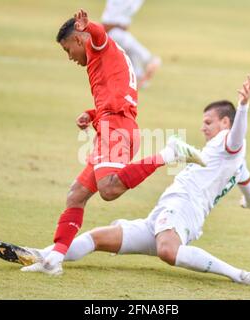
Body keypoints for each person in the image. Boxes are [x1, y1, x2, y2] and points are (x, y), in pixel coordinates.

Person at [0, 76, 250, 286]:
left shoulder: (228, 142)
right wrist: (248, 202)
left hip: (183, 209)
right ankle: (43, 255)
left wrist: (243, 107)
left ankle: (239, 275)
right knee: (98, 238)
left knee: (168, 252)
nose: (203, 127)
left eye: (208, 122)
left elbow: (237, 137)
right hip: (163, 215)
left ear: (225, 122)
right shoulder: (238, 165)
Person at [33, 9, 204, 276]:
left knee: (109, 190)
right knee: (76, 195)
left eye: (68, 50)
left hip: (117, 126)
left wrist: (89, 26)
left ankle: (170, 153)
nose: (69, 57)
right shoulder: (100, 62)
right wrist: (91, 114)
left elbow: (100, 35)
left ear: (79, 40)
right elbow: (117, 93)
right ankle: (54, 259)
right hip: (110, 124)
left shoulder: (100, 47)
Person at [101, 0, 161, 88]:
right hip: (115, 33)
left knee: (130, 56)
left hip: (115, 32)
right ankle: (147, 62)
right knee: (131, 54)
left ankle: (140, 71)